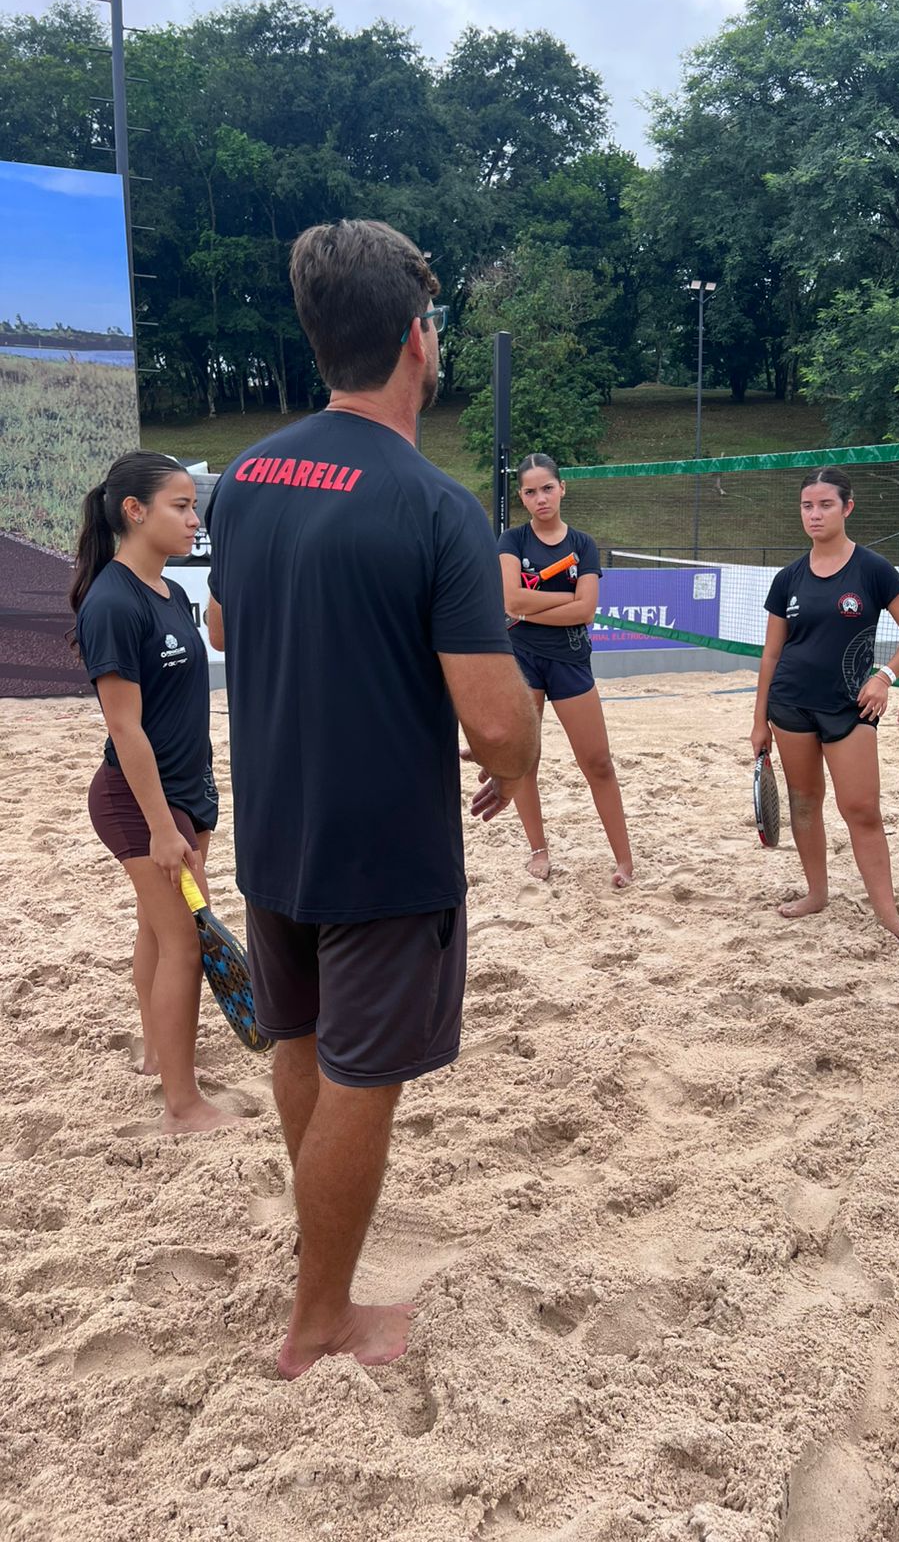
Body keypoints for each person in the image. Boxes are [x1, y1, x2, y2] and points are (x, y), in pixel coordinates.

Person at [205, 219, 537, 1378]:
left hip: (275, 825)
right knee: (362, 1076)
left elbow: (225, 625)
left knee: (300, 1040)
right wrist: (519, 756)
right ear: (417, 338)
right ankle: (321, 1321)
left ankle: (324, 1266)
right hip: (384, 848)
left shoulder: (246, 478)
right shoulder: (435, 506)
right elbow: (498, 724)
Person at [70, 451, 237, 1134]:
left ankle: (157, 1054)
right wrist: (163, 829)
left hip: (184, 791)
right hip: (139, 800)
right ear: (134, 511)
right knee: (186, 943)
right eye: (182, 505)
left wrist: (190, 806)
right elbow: (124, 728)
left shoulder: (166, 590)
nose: (195, 520)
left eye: (195, 506)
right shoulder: (113, 601)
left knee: (157, 929)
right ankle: (183, 1106)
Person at [750, 467, 899, 948]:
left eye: (825, 505)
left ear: (847, 507)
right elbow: (771, 654)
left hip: (850, 708)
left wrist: (884, 677)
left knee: (862, 810)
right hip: (790, 705)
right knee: (804, 802)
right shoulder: (788, 577)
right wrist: (758, 721)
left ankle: (890, 915)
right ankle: (816, 893)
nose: (815, 514)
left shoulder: (872, 569)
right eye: (807, 506)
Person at [496, 452, 634, 889]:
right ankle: (538, 849)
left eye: (547, 488)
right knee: (526, 761)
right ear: (521, 497)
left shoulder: (583, 544)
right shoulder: (512, 541)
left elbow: (586, 611)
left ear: (562, 489)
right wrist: (565, 599)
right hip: (522, 660)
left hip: (570, 659)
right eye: (530, 491)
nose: (540, 498)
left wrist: (533, 607)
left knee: (598, 762)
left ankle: (624, 860)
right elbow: (511, 601)